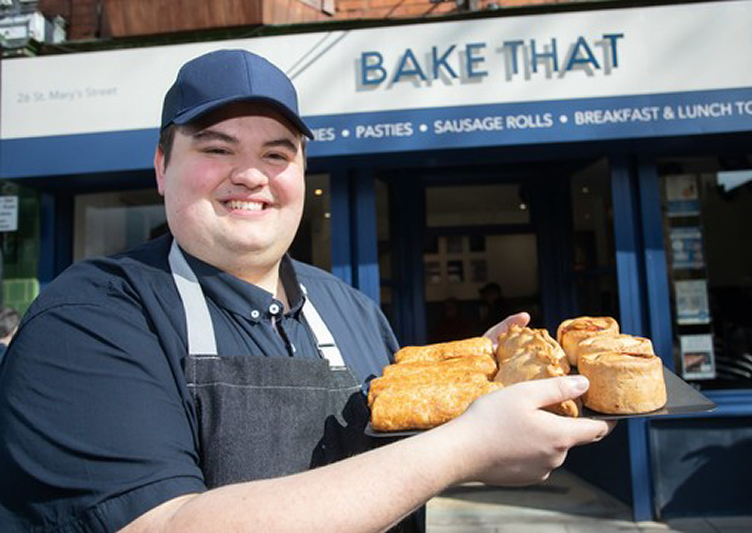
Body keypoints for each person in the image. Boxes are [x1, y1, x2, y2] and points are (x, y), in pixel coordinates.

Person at [0, 49, 613, 532]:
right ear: (162, 166)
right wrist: (463, 448)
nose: (250, 174)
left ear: (301, 174)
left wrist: (467, 396)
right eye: (216, 148)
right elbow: (162, 525)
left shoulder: (352, 310)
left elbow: (390, 463)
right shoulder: (91, 317)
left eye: (277, 153)